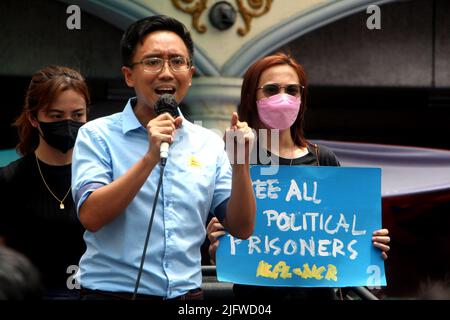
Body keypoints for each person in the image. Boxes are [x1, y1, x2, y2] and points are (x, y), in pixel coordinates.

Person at [71, 15, 256, 300]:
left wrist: (241, 163)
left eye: (177, 62)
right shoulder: (96, 135)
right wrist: (150, 157)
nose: (166, 73)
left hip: (188, 296)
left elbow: (241, 227)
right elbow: (92, 216)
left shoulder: (207, 143)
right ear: (129, 75)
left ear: (191, 75)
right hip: (112, 294)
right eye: (153, 61)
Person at [206, 52, 391, 300]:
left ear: (301, 98)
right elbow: (215, 244)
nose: (283, 98)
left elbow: (343, 235)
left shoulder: (323, 159)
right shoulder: (235, 158)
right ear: (252, 97)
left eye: (292, 90)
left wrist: (369, 243)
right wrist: (217, 247)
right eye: (272, 90)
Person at [0, 66, 89, 299]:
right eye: (56, 116)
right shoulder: (9, 179)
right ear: (33, 118)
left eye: (77, 115)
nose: (68, 123)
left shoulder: (100, 176)